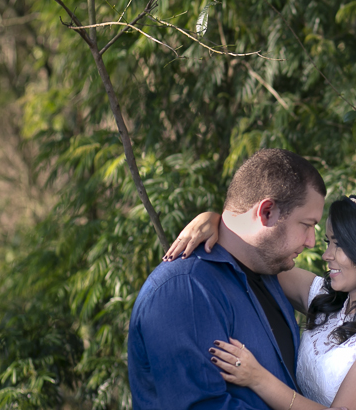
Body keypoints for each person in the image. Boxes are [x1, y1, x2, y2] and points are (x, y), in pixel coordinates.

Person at [166, 193, 356, 410]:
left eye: (338, 245)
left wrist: (258, 379)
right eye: (327, 243)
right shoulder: (329, 299)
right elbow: (255, 255)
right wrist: (214, 221)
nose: (325, 254)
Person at [128, 148, 328, 410]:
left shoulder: (268, 275)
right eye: (306, 225)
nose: (311, 241)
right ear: (267, 212)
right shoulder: (185, 288)